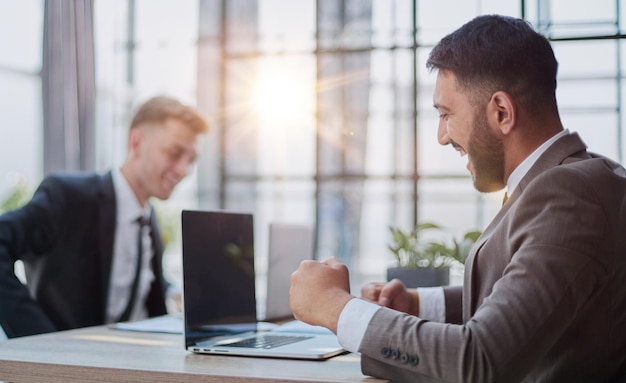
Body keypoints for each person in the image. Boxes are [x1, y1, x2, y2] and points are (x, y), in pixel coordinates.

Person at [290, 14, 626, 382]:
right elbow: (527, 298)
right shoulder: (578, 178)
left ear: (501, 112)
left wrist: (334, 308)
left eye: (446, 114)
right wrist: (418, 305)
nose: (441, 136)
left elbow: (479, 360)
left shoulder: (570, 196)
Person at [0, 96, 209, 338]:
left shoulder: (148, 220)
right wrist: (36, 336)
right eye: (175, 153)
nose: (184, 170)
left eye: (191, 160)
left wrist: (172, 292)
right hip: (70, 366)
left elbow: (134, 280)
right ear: (136, 142)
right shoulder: (69, 196)